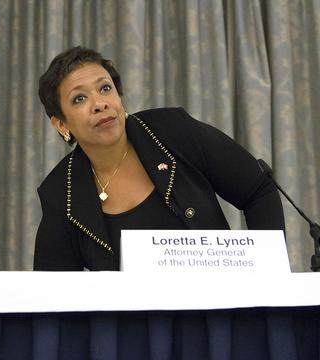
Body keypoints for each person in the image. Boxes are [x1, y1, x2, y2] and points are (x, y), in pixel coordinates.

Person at [34, 46, 285, 271]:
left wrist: (267, 279)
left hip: (219, 314)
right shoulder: (60, 194)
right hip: (138, 323)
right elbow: (53, 296)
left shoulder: (174, 132)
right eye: (80, 98)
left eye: (105, 88)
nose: (99, 103)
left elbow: (258, 190)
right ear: (61, 124)